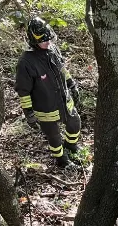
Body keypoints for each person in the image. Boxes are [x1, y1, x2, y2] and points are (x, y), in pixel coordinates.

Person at [15, 17, 83, 168]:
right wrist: (29, 113)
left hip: (64, 100)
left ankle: (71, 147)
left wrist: (72, 84)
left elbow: (61, 69)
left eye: (49, 39)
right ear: (33, 40)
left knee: (75, 124)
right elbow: (23, 90)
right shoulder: (26, 62)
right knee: (54, 136)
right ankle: (62, 160)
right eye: (43, 41)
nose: (48, 42)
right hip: (46, 107)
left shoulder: (52, 50)